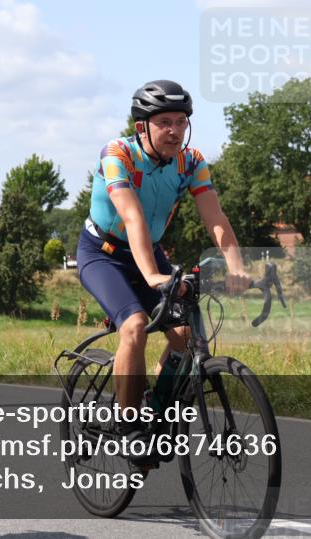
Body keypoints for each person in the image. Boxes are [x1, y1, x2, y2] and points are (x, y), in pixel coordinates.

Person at [78, 80, 252, 450]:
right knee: (135, 325)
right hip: (103, 253)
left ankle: (155, 409)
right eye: (165, 122)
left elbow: (215, 217)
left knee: (183, 335)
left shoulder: (191, 162)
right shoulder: (118, 154)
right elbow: (132, 216)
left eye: (181, 122)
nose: (175, 131)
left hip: (148, 251)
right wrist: (154, 276)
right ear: (143, 126)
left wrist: (236, 265)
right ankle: (128, 427)